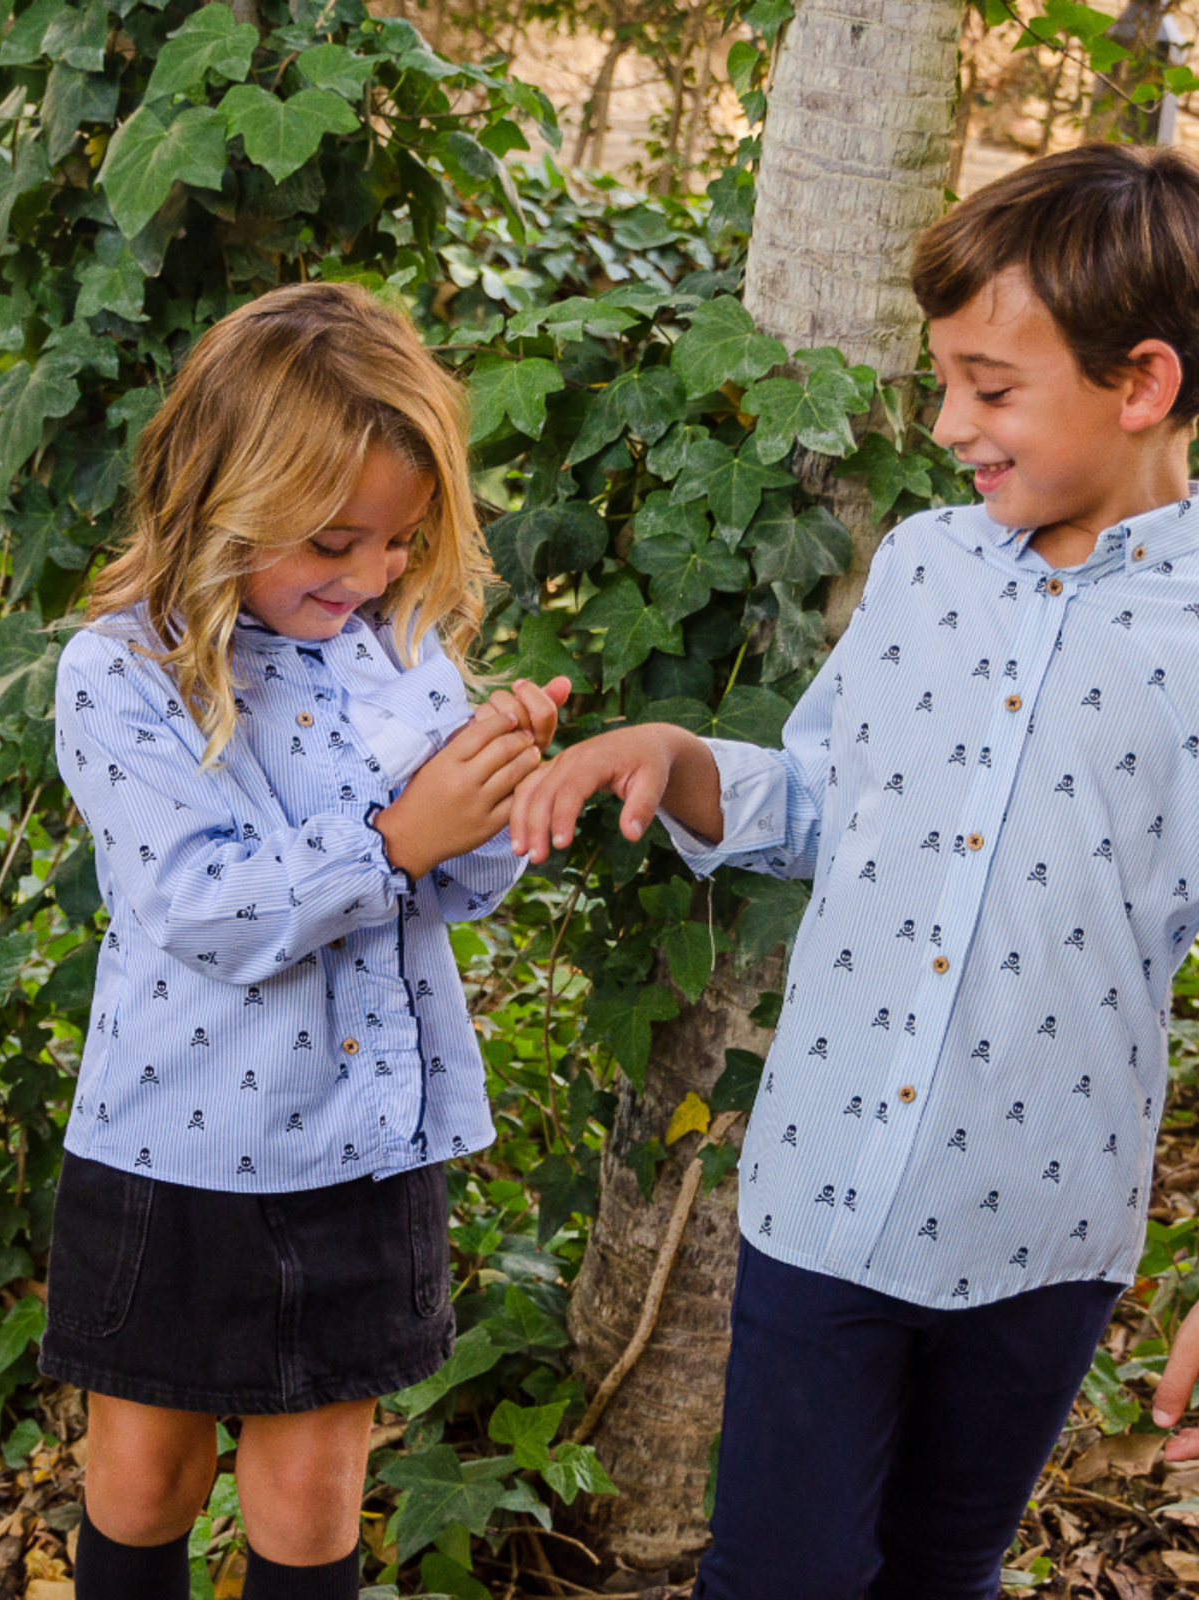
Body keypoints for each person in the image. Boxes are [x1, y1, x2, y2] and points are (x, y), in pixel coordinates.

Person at [509, 143, 1199, 1599]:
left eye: (991, 389)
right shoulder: (930, 565)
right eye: (943, 380)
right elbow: (826, 797)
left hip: (1044, 1224)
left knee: (941, 1570)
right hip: (829, 1192)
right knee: (776, 1576)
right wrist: (676, 753)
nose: (948, 422)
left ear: (1141, 384)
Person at [42, 281, 569, 1600]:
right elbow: (202, 907)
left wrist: (495, 789)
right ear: (226, 503)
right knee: (144, 1473)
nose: (375, 575)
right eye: (335, 542)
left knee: (313, 1490)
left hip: (360, 1146)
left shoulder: (403, 653)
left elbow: (465, 891)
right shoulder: (125, 671)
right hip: (172, 1149)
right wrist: (402, 835)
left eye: (398, 543)